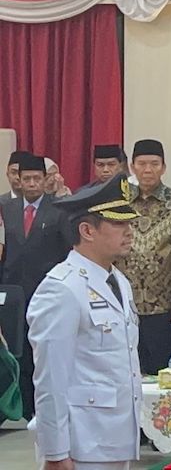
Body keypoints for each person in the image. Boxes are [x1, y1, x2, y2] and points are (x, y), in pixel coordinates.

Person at [27, 173, 142, 470]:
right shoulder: (62, 288)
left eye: (130, 223)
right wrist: (55, 451)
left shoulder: (118, 280)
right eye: (118, 224)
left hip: (117, 435)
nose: (129, 231)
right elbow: (50, 378)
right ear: (87, 231)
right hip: (82, 441)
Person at [116, 139, 171, 376]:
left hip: (164, 304)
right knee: (126, 370)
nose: (148, 170)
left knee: (159, 372)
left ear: (163, 167)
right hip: (123, 301)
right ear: (132, 167)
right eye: (142, 164)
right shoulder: (119, 202)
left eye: (154, 164)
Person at [1, 153, 72, 421]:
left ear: (45, 180)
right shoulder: (6, 208)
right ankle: (20, 407)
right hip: (13, 294)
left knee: (43, 351)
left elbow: (68, 251)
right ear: (18, 180)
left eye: (37, 179)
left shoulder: (59, 209)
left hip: (47, 292)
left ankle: (41, 406)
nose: (31, 184)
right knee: (17, 350)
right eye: (27, 178)